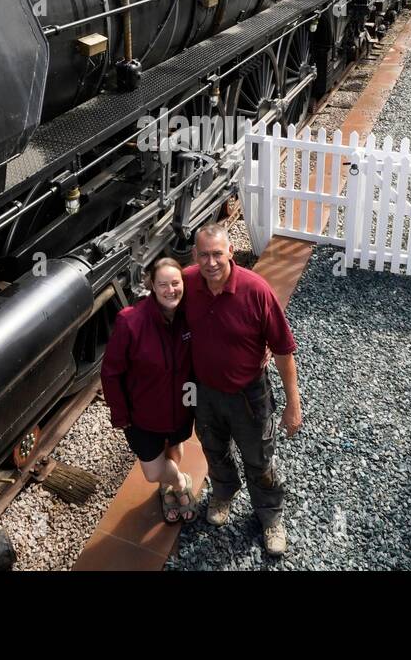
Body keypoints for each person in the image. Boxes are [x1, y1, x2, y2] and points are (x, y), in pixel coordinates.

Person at [182, 223, 302, 555]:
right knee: (213, 448)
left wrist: (294, 402)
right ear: (195, 255)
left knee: (259, 459)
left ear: (231, 252)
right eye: (203, 255)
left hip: (249, 396)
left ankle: (270, 516)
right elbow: (157, 307)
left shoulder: (256, 291)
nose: (211, 262)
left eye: (217, 254)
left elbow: (281, 348)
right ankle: (223, 492)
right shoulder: (187, 284)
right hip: (204, 393)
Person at [100, 257, 197, 523]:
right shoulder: (131, 322)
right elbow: (110, 373)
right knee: (153, 471)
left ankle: (166, 490)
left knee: (175, 449)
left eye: (176, 283)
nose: (170, 290)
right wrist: (121, 416)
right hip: (141, 417)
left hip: (181, 408)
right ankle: (178, 482)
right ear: (152, 286)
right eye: (163, 284)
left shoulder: (189, 316)